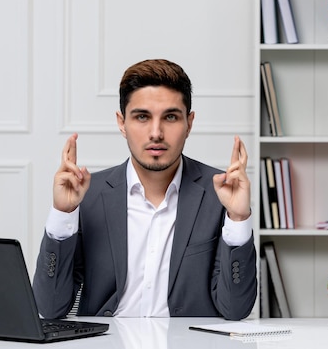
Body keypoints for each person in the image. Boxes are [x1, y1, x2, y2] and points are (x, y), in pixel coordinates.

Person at [32, 59, 257, 320]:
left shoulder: (220, 196)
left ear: (189, 123)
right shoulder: (88, 195)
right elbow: (49, 307)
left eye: (170, 117)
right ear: (122, 123)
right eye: (142, 117)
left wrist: (239, 219)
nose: (156, 133)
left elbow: (235, 309)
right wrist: (63, 213)